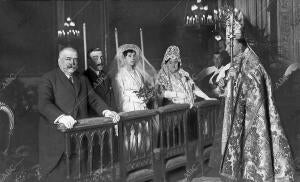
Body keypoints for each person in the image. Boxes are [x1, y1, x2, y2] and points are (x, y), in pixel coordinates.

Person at [219, 10, 294, 181]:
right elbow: (229, 81)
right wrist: (226, 80)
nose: (225, 48)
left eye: (228, 44)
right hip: (241, 114)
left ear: (239, 43)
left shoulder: (252, 62)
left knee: (255, 155)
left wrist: (236, 80)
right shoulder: (238, 59)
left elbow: (253, 87)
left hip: (253, 117)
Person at [38, 47, 120, 181]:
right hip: (57, 144)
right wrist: (61, 117)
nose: (72, 63)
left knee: (79, 176)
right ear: (59, 61)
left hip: (79, 140)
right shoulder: (48, 78)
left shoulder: (82, 79)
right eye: (68, 59)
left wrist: (106, 111)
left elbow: (93, 99)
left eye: (75, 60)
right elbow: (44, 104)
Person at [111, 44, 156, 112]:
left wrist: (145, 97)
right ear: (124, 57)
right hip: (129, 106)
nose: (132, 58)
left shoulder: (138, 73)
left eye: (134, 55)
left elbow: (142, 88)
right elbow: (120, 96)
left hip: (142, 105)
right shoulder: (120, 75)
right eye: (129, 56)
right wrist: (136, 98)